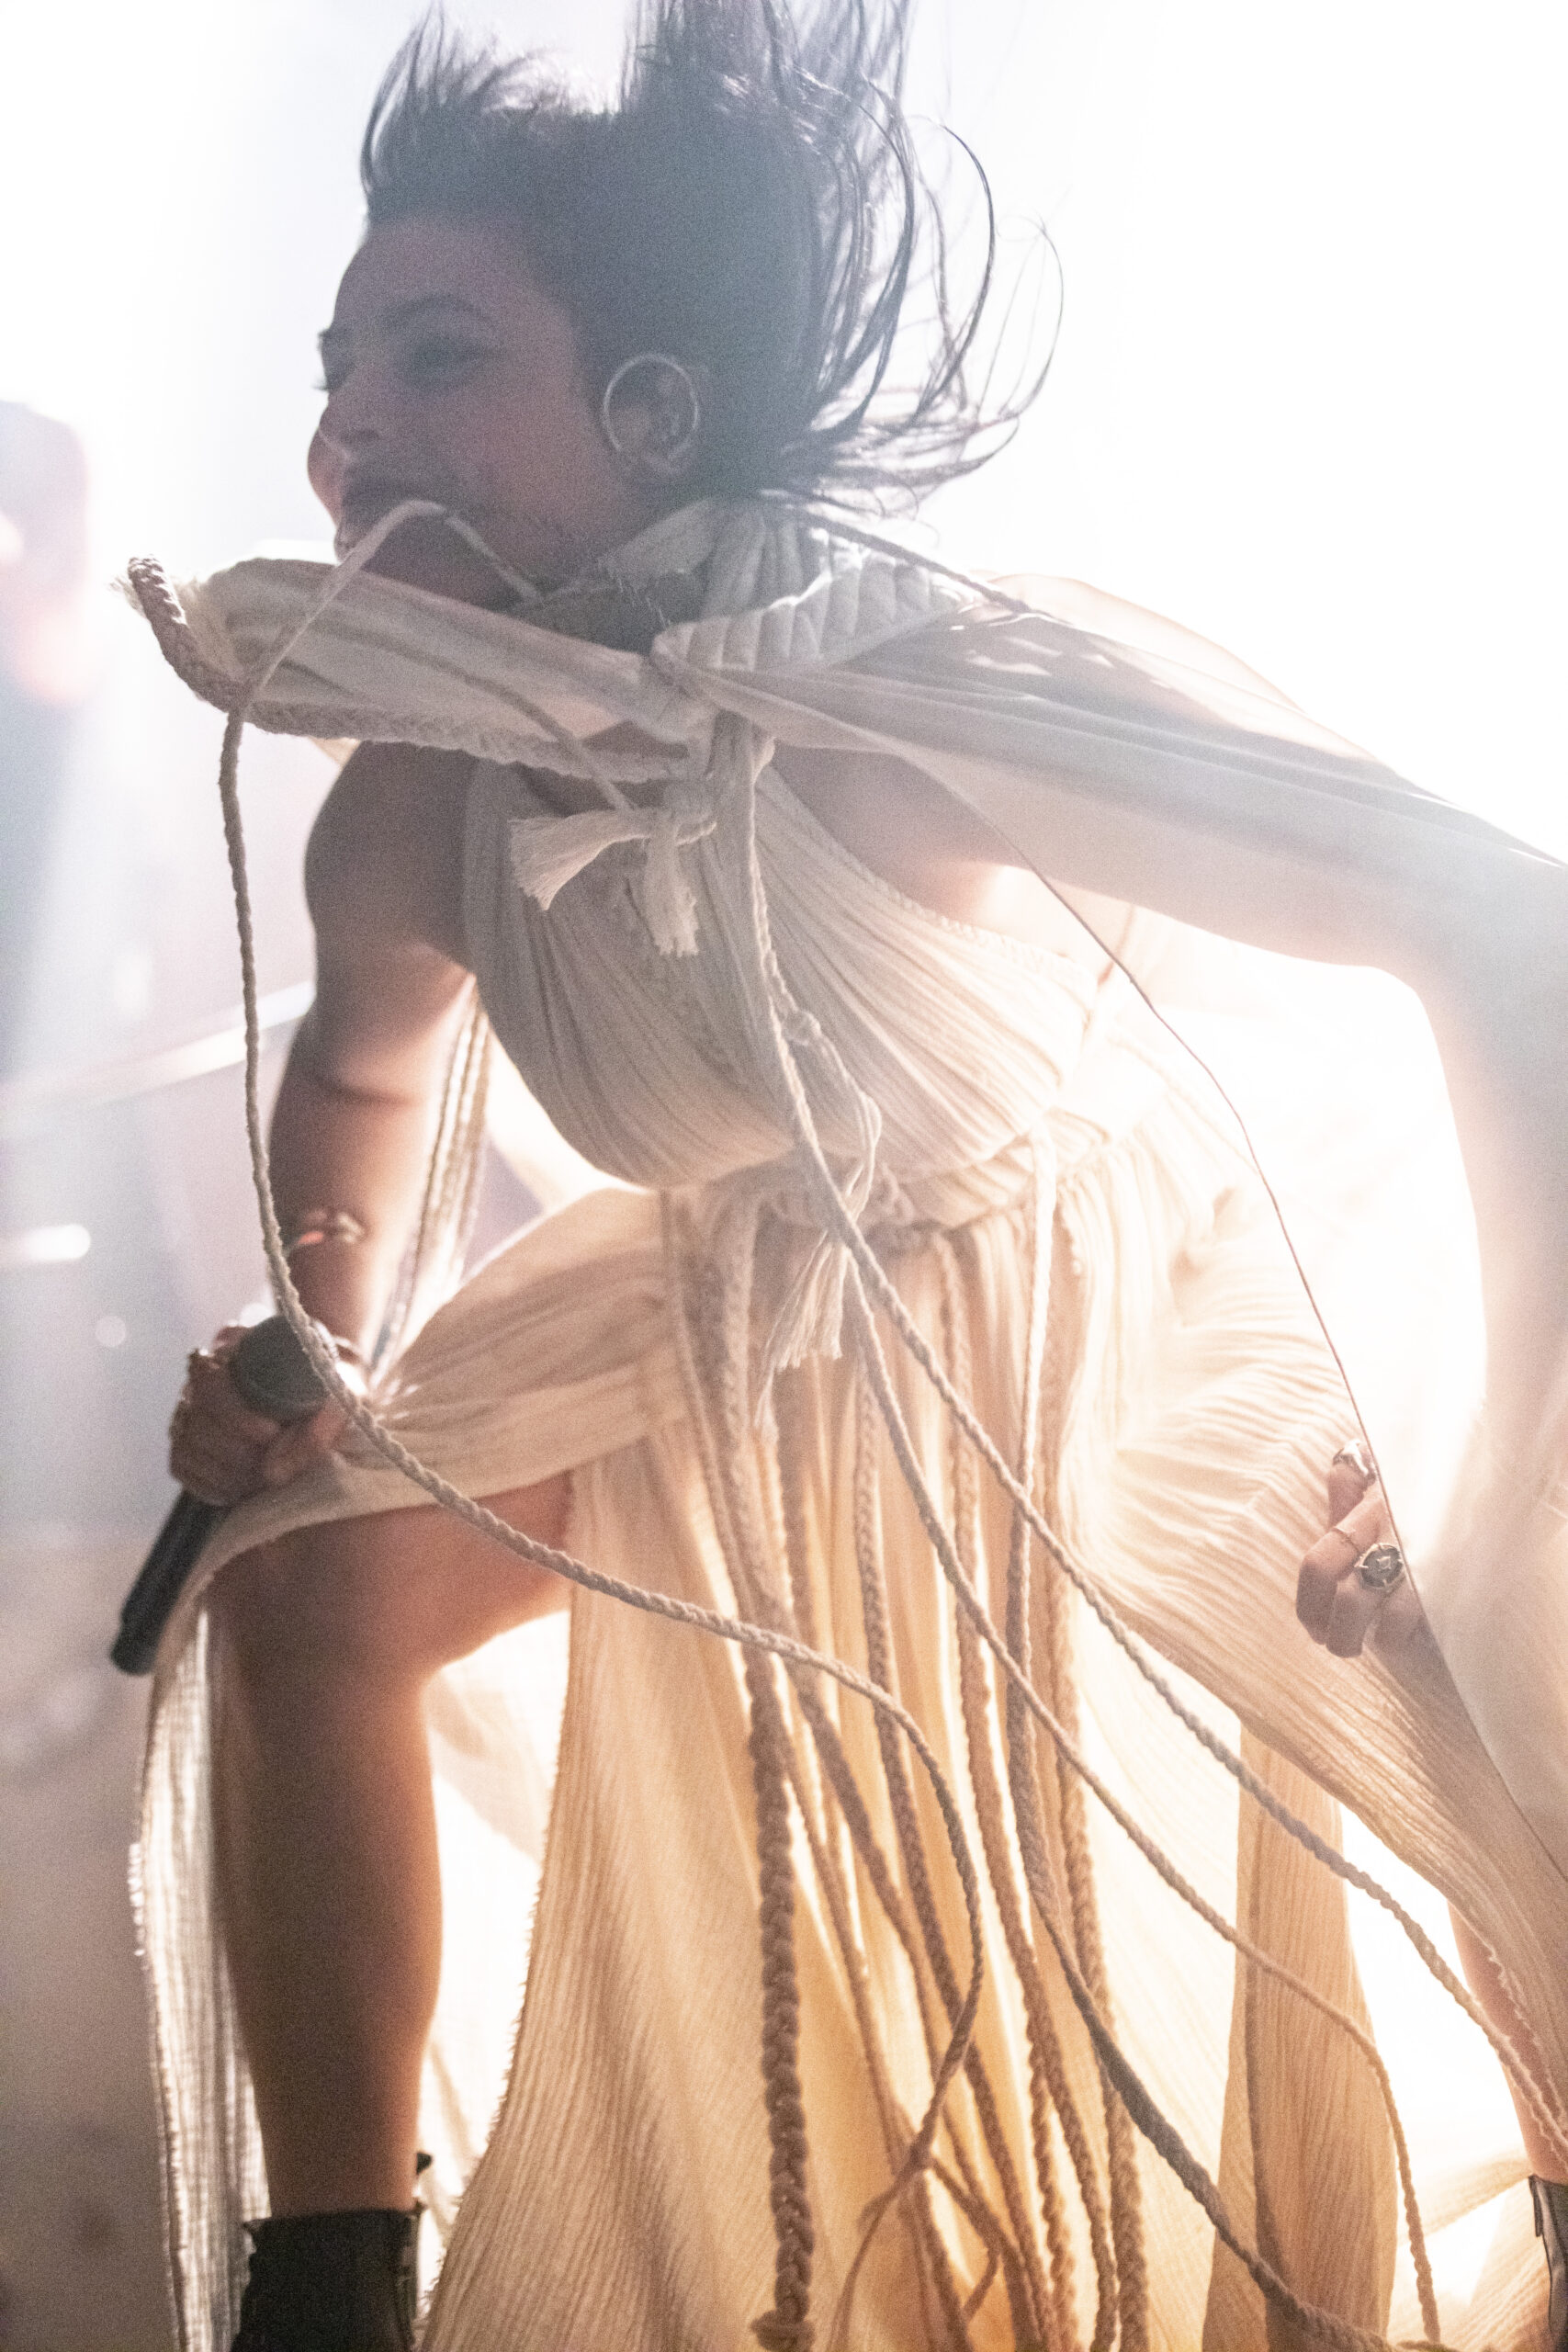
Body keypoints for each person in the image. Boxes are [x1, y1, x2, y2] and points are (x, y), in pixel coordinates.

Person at [139, 6, 1568, 2348]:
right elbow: (365, 1079)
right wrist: (316, 1327)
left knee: (1408, 1680)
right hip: (718, 1310)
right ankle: (333, 2288)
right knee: (301, 1573)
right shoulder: (408, 801)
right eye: (338, 367)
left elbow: (1483, 919)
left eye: (437, 355)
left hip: (1117, 1290)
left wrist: (1471, 1448)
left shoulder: (904, 698)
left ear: (652, 407)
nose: (346, 428)